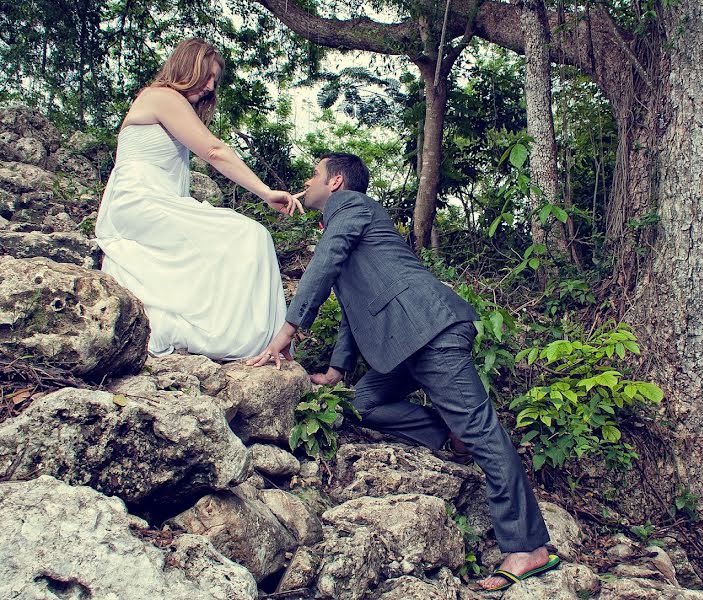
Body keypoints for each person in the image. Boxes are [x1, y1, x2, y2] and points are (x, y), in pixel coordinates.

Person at [247, 153, 559, 591]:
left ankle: (530, 547)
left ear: (335, 182)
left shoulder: (353, 208)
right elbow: (353, 309)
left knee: (483, 432)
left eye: (313, 175)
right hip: (403, 344)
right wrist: (338, 370)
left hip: (431, 332)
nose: (306, 182)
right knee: (365, 402)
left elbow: (324, 262)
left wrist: (290, 328)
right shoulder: (342, 222)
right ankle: (449, 431)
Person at [95, 38, 302, 360]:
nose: (209, 86)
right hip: (140, 201)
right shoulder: (162, 97)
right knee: (249, 235)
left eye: (214, 81)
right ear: (186, 68)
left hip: (147, 201)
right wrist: (265, 192)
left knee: (240, 239)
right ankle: (261, 345)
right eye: (206, 76)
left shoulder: (165, 103)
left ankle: (258, 341)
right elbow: (214, 150)